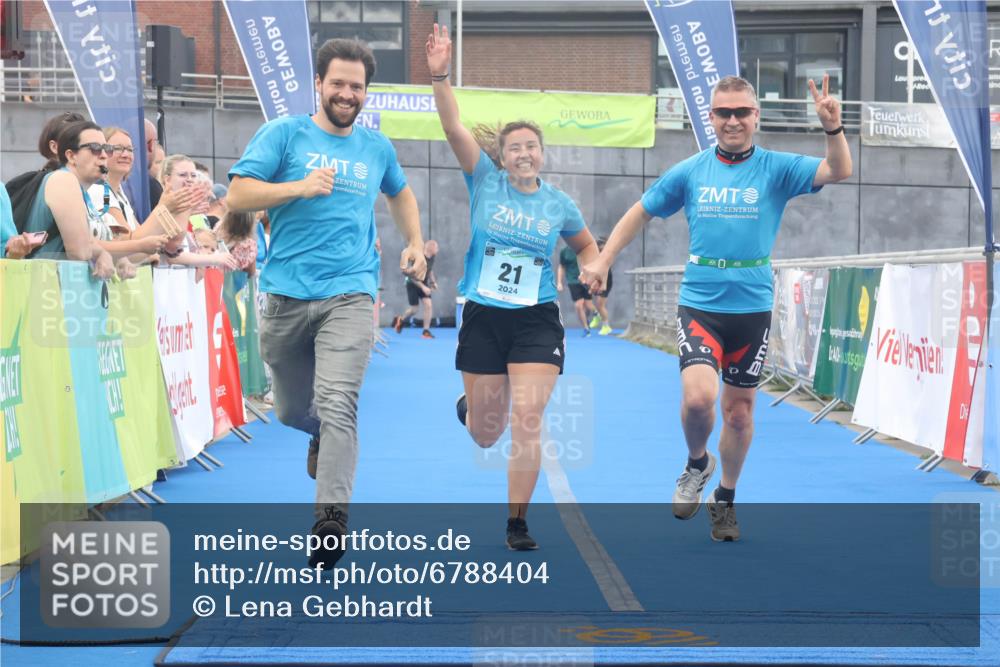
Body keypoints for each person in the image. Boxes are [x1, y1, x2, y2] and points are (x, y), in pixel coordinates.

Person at [582, 74, 851, 542]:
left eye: (741, 112)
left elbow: (839, 170)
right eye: (723, 112)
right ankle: (696, 463)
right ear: (710, 117)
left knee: (740, 413)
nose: (732, 120)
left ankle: (724, 498)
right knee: (698, 400)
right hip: (701, 303)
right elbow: (641, 210)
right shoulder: (691, 171)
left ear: (755, 116)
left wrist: (832, 128)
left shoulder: (776, 168)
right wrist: (604, 260)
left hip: (751, 307)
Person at [227, 38, 426, 569]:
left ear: (366, 93)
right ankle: (318, 435)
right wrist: (297, 187)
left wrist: (412, 241)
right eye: (337, 83)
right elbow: (239, 195)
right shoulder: (284, 134)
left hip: (351, 292)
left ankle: (330, 518)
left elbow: (400, 192)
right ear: (318, 84)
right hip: (287, 294)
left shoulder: (376, 148)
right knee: (293, 410)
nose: (346, 93)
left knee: (339, 401)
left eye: (356, 86)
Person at [428, 24, 599, 550]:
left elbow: (586, 246)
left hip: (536, 318)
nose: (524, 153)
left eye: (532, 146)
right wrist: (440, 76)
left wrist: (593, 267)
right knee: (487, 432)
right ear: (501, 157)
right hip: (483, 314)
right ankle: (471, 406)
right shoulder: (484, 180)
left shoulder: (559, 204)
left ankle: (516, 523)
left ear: (542, 153)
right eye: (514, 147)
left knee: (528, 417)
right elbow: (453, 126)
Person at [22, 120, 118, 279]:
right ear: (71, 156)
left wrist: (108, 255)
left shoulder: (78, 188)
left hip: (53, 286)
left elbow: (87, 244)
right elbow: (79, 251)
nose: (103, 155)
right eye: (95, 148)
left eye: (107, 149)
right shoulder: (64, 180)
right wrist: (102, 253)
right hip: (47, 286)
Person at [392, 239, 438, 338]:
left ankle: (426, 331)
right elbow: (411, 276)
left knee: (428, 305)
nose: (437, 250)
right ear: (431, 248)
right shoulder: (419, 257)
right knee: (414, 309)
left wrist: (433, 282)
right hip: (412, 283)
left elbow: (430, 270)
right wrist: (423, 287)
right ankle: (401, 319)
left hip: (423, 283)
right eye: (436, 247)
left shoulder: (432, 257)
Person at [556, 243, 596, 336]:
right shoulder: (564, 252)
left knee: (588, 305)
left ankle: (592, 316)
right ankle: (586, 328)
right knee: (578, 305)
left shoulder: (583, 249)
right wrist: (559, 282)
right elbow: (561, 266)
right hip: (573, 281)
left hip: (586, 281)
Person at [588, 237, 614, 335]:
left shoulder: (606, 258)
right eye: (599, 249)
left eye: (603, 249)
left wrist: (602, 284)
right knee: (598, 304)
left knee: (600, 305)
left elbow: (604, 273)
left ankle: (606, 326)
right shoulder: (595, 256)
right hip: (598, 280)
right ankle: (598, 317)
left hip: (606, 281)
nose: (601, 250)